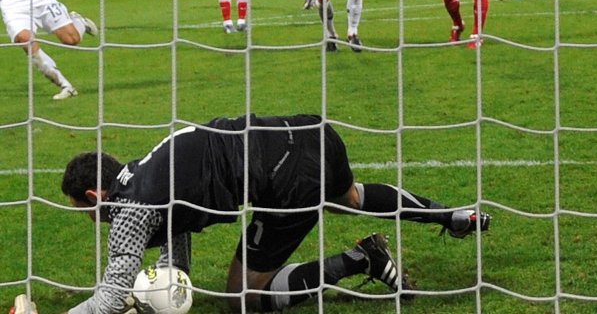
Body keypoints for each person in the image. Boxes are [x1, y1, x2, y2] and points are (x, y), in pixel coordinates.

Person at [61, 114, 491, 314]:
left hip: (283, 179)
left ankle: (362, 260)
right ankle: (451, 216)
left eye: (81, 207)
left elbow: (110, 297)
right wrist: (167, 283)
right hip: (309, 133)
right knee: (352, 198)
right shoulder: (142, 172)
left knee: (240, 298)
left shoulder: (131, 209)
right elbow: (177, 233)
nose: (86, 217)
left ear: (95, 194)